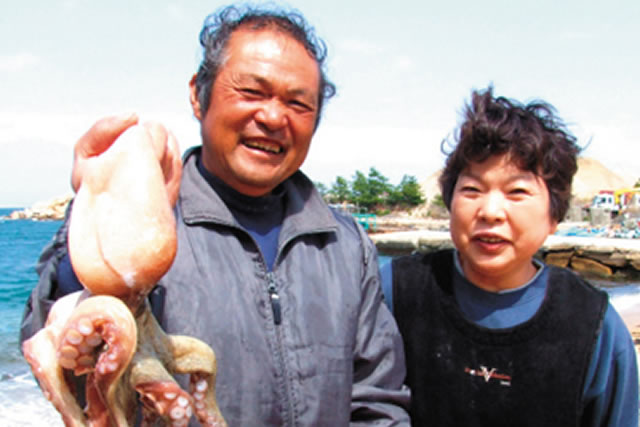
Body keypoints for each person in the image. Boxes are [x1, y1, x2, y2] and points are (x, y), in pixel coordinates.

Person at [20, 4, 410, 425]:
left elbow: (378, 401)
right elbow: (62, 352)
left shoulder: (345, 246)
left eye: (298, 103)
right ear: (197, 94)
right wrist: (96, 214)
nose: (274, 116)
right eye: (252, 92)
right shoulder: (143, 225)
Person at [381, 87, 638, 426]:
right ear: (450, 202)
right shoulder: (394, 291)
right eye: (472, 189)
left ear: (553, 216)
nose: (490, 211)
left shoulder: (594, 326)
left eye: (517, 192)